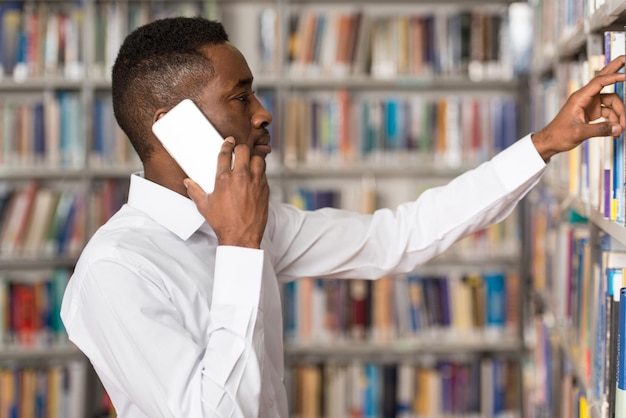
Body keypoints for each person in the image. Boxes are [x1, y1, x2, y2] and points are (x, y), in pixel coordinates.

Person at [60, 16, 626, 418]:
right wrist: (238, 247)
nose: (264, 114)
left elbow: (396, 239)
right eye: (241, 97)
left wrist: (545, 143)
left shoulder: (251, 223)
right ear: (170, 127)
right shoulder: (119, 270)